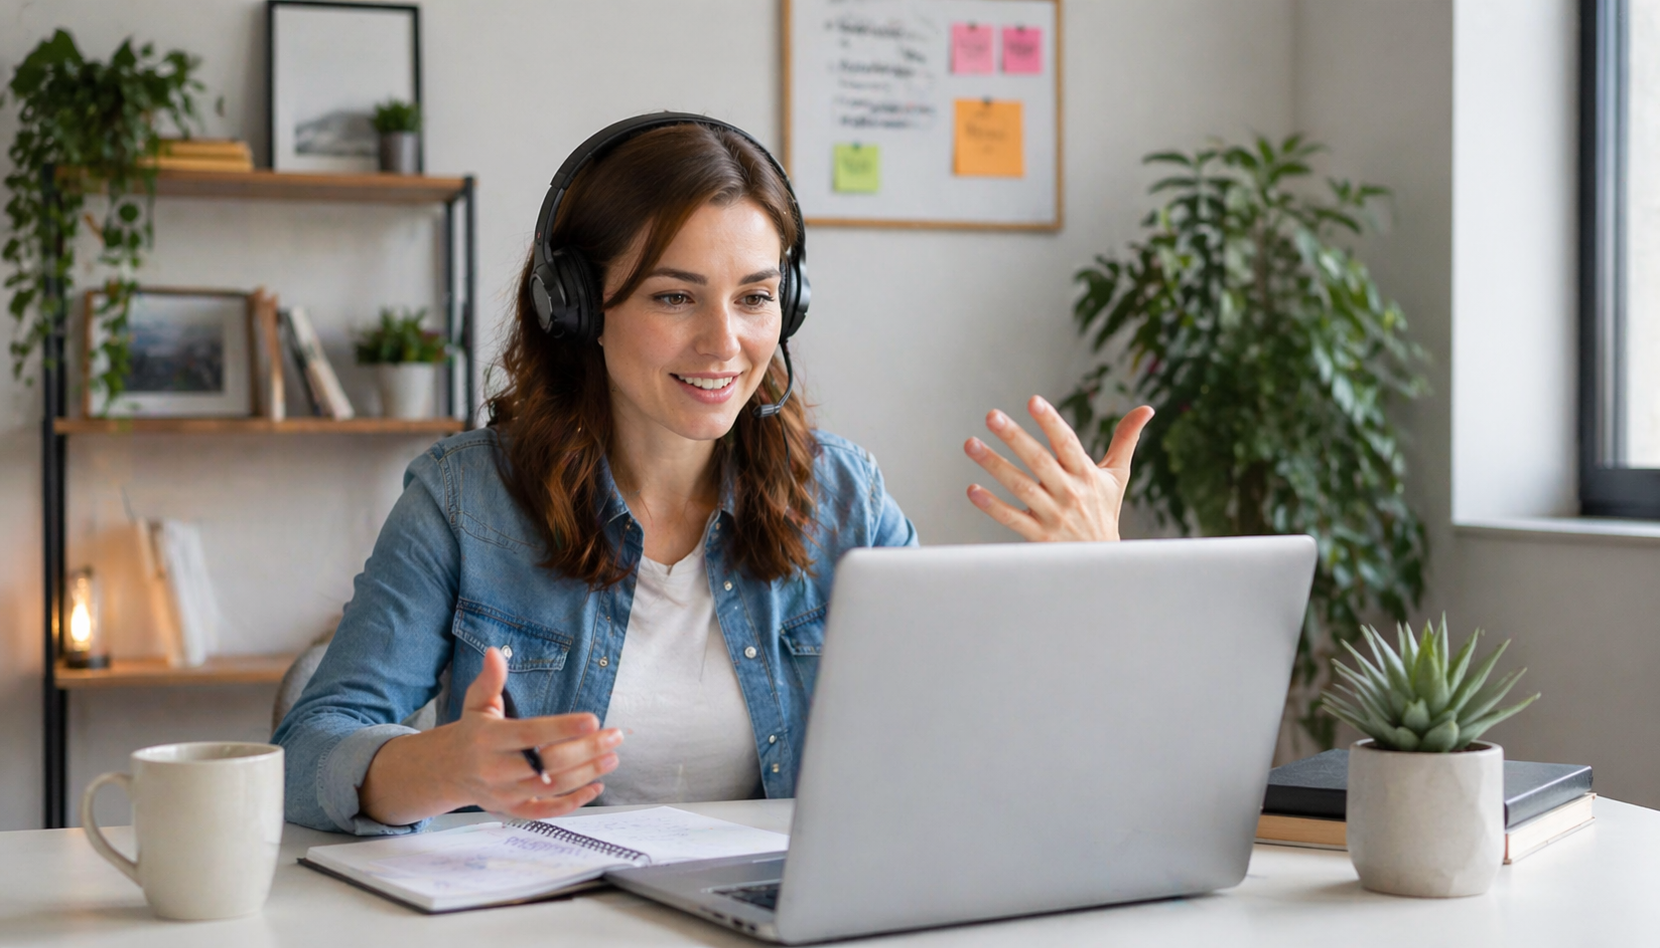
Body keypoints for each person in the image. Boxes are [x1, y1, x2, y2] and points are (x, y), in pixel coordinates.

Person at [273, 115, 1154, 835]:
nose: (723, 343)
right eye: (673, 295)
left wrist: (1094, 581)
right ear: (575, 307)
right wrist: (438, 766)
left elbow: (970, 735)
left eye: (755, 296)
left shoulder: (842, 499)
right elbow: (307, 754)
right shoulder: (463, 501)